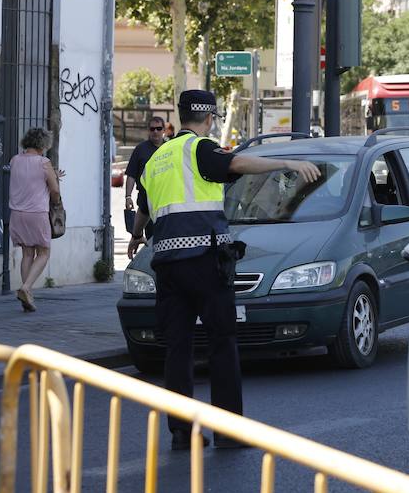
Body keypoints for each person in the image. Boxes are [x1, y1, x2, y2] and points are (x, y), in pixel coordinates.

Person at [127, 90, 319, 450]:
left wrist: (136, 238)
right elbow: (236, 164)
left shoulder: (156, 160)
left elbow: (145, 209)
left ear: (179, 116)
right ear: (210, 118)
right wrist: (288, 164)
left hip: (167, 267)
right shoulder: (198, 148)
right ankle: (229, 431)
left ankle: (182, 432)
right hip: (205, 261)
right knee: (222, 342)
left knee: (178, 349)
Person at [9, 127, 64, 312]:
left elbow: (29, 180)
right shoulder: (44, 162)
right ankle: (26, 288)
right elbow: (54, 190)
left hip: (17, 213)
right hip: (37, 213)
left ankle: (27, 295)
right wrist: (56, 201)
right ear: (43, 144)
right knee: (44, 252)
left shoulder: (15, 160)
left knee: (27, 254)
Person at [124, 116, 166, 239]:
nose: (155, 132)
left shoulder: (171, 148)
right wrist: (128, 197)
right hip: (147, 204)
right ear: (148, 130)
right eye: (152, 129)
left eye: (159, 128)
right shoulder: (140, 149)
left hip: (167, 202)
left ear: (164, 130)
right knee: (151, 239)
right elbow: (131, 174)